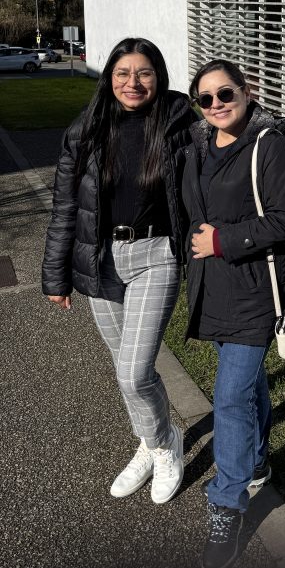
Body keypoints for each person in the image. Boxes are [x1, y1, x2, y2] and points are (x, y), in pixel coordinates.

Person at [42, 37, 197, 504]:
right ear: (109, 77)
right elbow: (66, 208)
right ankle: (150, 442)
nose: (133, 82)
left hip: (156, 255)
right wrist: (56, 275)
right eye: (123, 73)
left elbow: (232, 134)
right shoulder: (86, 129)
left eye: (144, 72)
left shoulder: (179, 121)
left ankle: (166, 445)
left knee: (134, 372)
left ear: (158, 76)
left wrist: (267, 122)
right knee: (123, 366)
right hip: (102, 259)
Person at [181, 59, 285, 568]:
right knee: (247, 384)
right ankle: (256, 461)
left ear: (247, 91)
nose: (216, 105)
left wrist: (222, 241)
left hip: (256, 292)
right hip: (212, 290)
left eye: (225, 93)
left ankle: (227, 505)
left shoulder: (268, 145)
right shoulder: (196, 145)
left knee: (231, 396)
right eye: (205, 98)